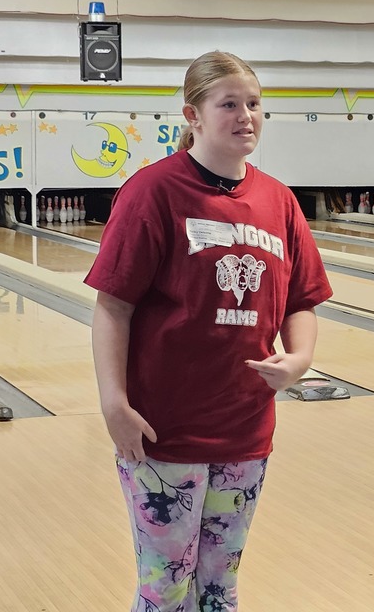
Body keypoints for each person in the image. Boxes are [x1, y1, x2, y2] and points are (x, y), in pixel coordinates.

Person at [86, 51, 332, 612]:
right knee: (166, 586)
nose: (246, 115)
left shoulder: (279, 201)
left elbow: (302, 301)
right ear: (193, 115)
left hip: (245, 430)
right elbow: (113, 306)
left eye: (254, 104)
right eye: (229, 104)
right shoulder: (153, 192)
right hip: (162, 432)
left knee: (219, 589)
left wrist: (298, 360)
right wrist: (113, 403)